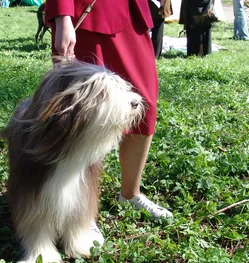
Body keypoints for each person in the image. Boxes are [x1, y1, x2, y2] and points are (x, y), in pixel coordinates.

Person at [44, 0, 173, 241]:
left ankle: (130, 193)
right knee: (87, 113)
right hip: (87, 14)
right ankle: (81, 211)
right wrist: (62, 17)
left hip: (131, 14)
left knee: (144, 105)